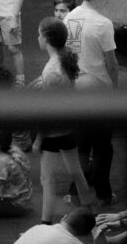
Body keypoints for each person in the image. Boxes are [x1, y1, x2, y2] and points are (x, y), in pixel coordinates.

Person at [30, 18, 95, 223]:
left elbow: (47, 111)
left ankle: (45, 224)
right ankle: (90, 213)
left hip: (53, 131)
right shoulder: (67, 59)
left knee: (47, 180)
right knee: (76, 172)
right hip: (69, 127)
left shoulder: (51, 70)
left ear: (47, 38)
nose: (37, 38)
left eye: (40, 34)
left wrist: (39, 139)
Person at [63, 0, 117, 207]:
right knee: (103, 145)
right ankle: (104, 193)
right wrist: (115, 87)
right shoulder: (103, 23)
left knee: (82, 144)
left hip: (76, 86)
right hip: (99, 89)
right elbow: (111, 62)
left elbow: (67, 52)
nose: (107, 1)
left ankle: (77, 190)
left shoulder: (70, 18)